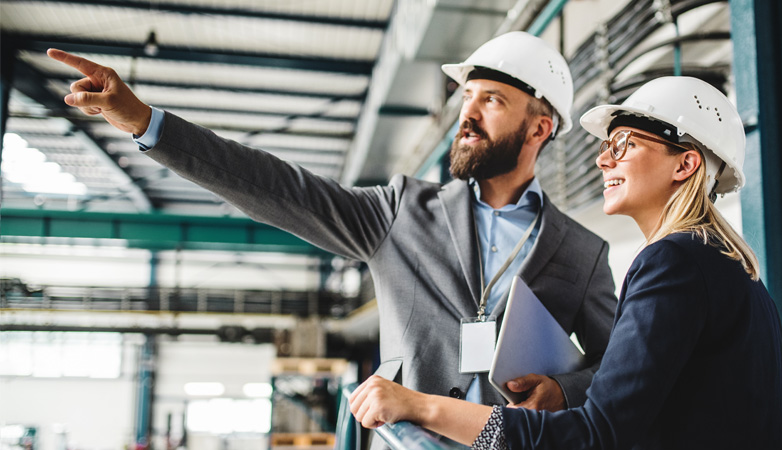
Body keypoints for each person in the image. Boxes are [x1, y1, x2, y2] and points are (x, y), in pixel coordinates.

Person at [47, 30, 618, 441]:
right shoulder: (402, 210)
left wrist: (567, 392)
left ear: (539, 127)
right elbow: (277, 187)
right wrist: (148, 124)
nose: (466, 115)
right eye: (466, 96)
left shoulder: (580, 251)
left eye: (491, 100)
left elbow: (621, 366)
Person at [348, 76, 782, 449]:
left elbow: (593, 436)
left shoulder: (672, 263)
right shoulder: (731, 271)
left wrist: (424, 408)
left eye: (622, 143)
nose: (603, 159)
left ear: (684, 165)